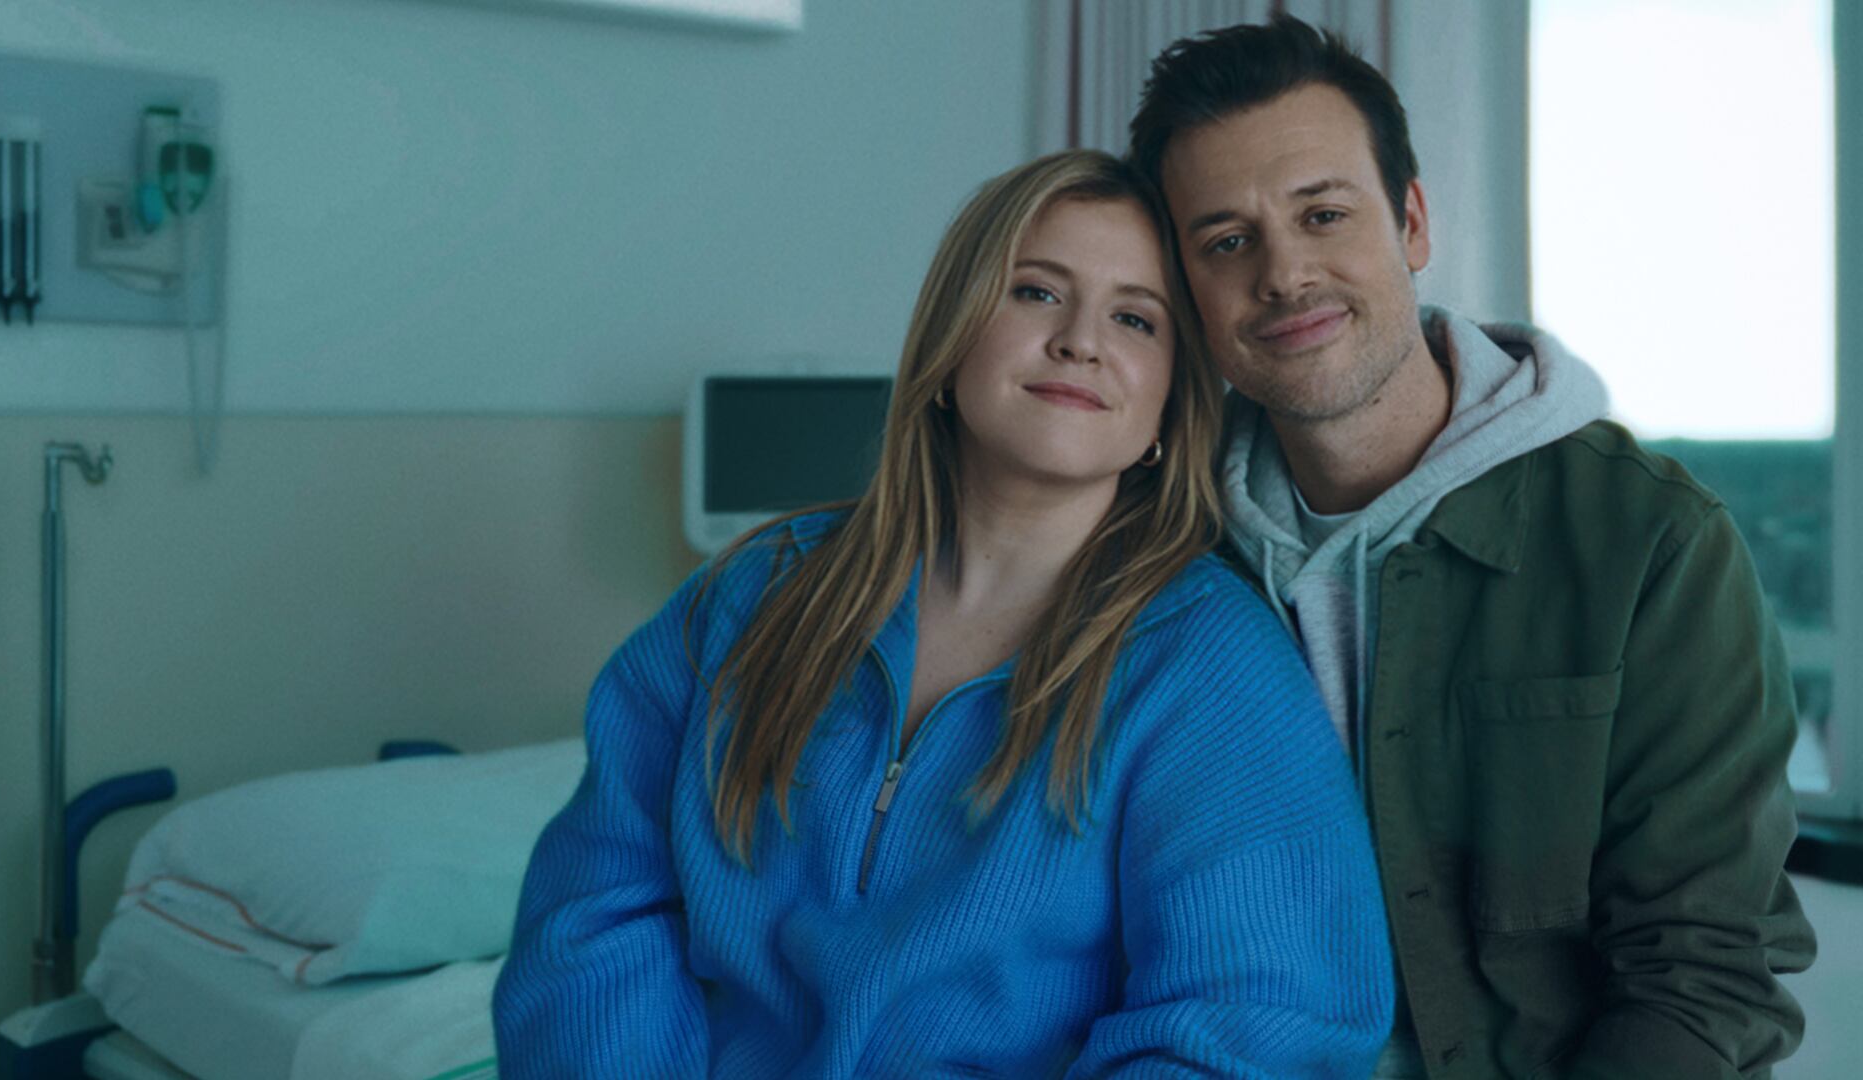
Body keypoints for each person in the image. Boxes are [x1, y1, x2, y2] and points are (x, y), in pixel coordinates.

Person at [492, 149, 1394, 1077]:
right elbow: (595, 915)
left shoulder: (1211, 669)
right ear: (951, 337)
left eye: (1135, 318)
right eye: (1037, 293)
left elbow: (1255, 1028)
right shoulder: (754, 594)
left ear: (1169, 403)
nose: (1080, 341)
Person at [1127, 16, 1817, 1079]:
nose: (1284, 273)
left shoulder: (1651, 541)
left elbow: (1702, 978)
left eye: (1323, 214)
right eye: (1227, 241)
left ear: (1411, 223)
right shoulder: (1157, 551)